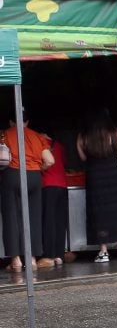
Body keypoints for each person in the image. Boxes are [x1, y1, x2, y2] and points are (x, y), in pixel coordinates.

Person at [77, 110, 117, 263]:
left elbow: (82, 157)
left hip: (95, 177)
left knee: (99, 211)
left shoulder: (83, 135)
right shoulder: (113, 132)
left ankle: (104, 252)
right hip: (114, 175)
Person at [2, 116, 54, 274]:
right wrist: (38, 168)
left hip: (11, 174)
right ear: (27, 122)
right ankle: (31, 260)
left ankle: (16, 260)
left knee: (11, 216)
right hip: (33, 176)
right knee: (33, 217)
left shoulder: (4, 134)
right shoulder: (37, 136)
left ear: (11, 122)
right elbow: (50, 160)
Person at [39, 133, 68, 271]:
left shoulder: (39, 143)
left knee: (49, 221)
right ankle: (59, 255)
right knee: (60, 221)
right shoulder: (59, 145)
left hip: (47, 185)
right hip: (62, 185)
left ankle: (49, 255)